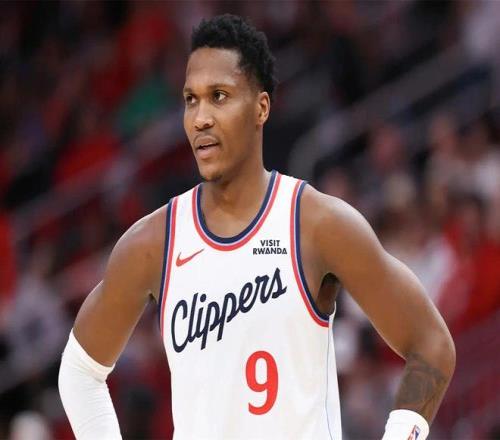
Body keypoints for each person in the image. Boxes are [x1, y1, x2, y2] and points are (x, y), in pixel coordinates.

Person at [58, 14, 455, 440]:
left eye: (219, 96)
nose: (201, 118)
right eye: (191, 100)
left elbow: (432, 345)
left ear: (261, 107)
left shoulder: (317, 223)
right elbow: (80, 372)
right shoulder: (153, 242)